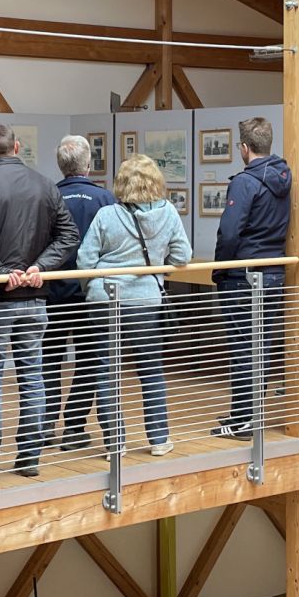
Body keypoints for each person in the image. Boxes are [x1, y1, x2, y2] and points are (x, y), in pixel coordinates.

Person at [0, 124, 80, 482]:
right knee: (32, 376)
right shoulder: (45, 185)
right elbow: (69, 235)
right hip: (34, 297)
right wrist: (41, 267)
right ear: (17, 147)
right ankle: (29, 457)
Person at [78, 154, 191, 456]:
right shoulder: (168, 213)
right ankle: (159, 439)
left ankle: (115, 443)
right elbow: (182, 256)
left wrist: (92, 288)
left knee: (106, 370)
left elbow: (85, 260)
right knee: (150, 369)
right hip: (145, 299)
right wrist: (158, 267)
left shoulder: (106, 215)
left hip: (105, 298)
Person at [212, 116, 291, 438]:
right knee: (261, 345)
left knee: (242, 347)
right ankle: (248, 413)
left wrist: (220, 267)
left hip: (243, 274)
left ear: (244, 147)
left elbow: (230, 232)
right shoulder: (284, 176)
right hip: (273, 271)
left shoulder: (245, 182)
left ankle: (244, 418)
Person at [43, 135, 115, 453]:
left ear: (61, 165)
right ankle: (74, 427)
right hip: (91, 293)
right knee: (88, 359)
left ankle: (44, 426)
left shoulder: (48, 196)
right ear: (88, 164)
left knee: (48, 360)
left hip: (52, 291)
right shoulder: (105, 199)